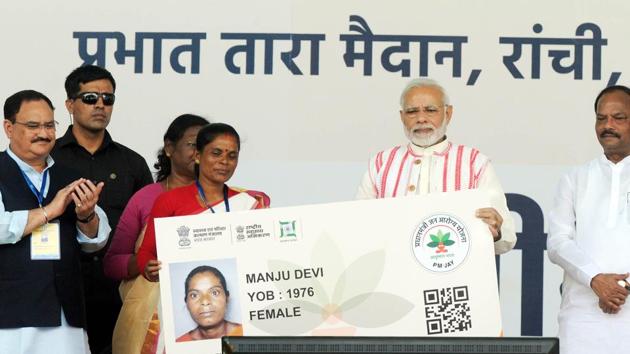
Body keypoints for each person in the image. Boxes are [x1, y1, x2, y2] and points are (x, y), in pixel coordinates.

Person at [51, 65, 153, 354]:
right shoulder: (49, 159)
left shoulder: (132, 163)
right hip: (60, 292)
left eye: (108, 99)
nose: (100, 105)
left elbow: (149, 229)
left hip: (119, 296)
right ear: (70, 104)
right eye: (90, 98)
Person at [0, 90, 111, 354]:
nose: (43, 133)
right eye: (33, 126)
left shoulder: (71, 177)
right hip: (9, 316)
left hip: (65, 315)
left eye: (49, 125)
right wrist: (49, 211)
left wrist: (86, 216)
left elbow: (96, 241)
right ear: (9, 128)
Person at [356, 78, 516, 254]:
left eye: (430, 110)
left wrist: (496, 232)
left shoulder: (474, 163)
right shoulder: (381, 163)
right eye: (412, 112)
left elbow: (507, 238)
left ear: (448, 114)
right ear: (402, 117)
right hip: (394, 274)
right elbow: (358, 227)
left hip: (454, 275)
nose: (421, 118)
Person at [103, 113, 208, 354]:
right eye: (193, 144)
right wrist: (144, 262)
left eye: (206, 145)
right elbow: (112, 263)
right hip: (153, 322)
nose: (199, 152)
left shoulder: (228, 200)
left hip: (209, 321)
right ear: (169, 148)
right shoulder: (146, 198)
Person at [547, 85, 630, 354]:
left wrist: (619, 289)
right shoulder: (574, 179)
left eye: (619, 118)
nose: (608, 125)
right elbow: (558, 242)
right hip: (582, 319)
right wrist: (595, 279)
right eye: (601, 118)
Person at [137, 122, 270, 281]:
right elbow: (146, 252)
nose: (224, 161)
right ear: (198, 156)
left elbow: (263, 254)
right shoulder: (169, 201)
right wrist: (148, 267)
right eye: (216, 153)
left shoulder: (248, 203)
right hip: (187, 292)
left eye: (232, 156)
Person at [176, 265, 243, 342]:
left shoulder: (249, 333)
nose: (205, 301)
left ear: (227, 298)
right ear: (187, 303)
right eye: (194, 295)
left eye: (215, 292)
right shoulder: (177, 345)